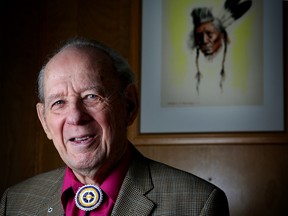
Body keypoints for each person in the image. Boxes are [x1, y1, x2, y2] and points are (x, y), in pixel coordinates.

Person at [0, 37, 230, 215]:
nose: (75, 117)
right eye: (58, 102)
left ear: (128, 105)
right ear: (44, 121)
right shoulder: (15, 202)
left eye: (91, 97)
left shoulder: (198, 205)